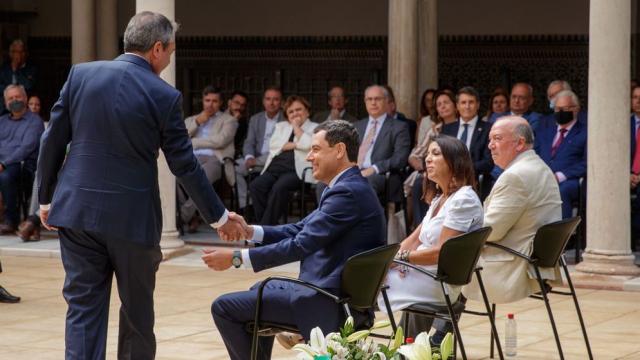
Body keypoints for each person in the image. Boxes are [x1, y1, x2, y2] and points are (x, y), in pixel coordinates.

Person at [36, 12, 243, 360]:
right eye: (171, 51)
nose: (170, 58)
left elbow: (52, 140)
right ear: (157, 49)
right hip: (132, 221)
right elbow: (185, 165)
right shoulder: (164, 95)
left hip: (77, 212)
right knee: (136, 315)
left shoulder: (81, 75)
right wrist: (220, 218)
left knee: (83, 311)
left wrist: (45, 200)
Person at [206, 120, 386, 360]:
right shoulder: (349, 186)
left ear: (340, 150)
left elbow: (301, 244)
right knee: (260, 289)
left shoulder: (347, 192)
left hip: (327, 301)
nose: (309, 157)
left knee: (224, 307)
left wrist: (237, 259)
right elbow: (301, 229)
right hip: (334, 293)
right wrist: (250, 231)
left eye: (316, 149)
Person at [429, 116, 563, 345]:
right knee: (442, 255)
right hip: (532, 259)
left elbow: (489, 232)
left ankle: (427, 343)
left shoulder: (516, 176)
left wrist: (448, 228)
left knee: (433, 263)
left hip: (512, 264)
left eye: (497, 139)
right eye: (490, 139)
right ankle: (436, 340)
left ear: (519, 143)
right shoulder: (539, 166)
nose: (490, 145)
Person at [377, 135, 483, 337]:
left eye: (436, 153)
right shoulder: (441, 198)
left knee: (358, 286)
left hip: (437, 281)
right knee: (366, 275)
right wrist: (389, 261)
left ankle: (346, 344)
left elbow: (443, 253)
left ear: (455, 160)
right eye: (427, 154)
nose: (427, 159)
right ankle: (399, 350)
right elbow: (414, 240)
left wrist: (404, 260)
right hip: (421, 272)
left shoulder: (463, 200)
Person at [249, 95, 318, 225]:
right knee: (256, 186)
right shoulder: (281, 126)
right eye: (291, 112)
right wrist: (296, 144)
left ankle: (264, 231)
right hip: (275, 167)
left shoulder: (316, 127)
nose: (295, 114)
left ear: (307, 112)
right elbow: (274, 145)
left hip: (297, 171)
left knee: (279, 188)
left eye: (299, 110)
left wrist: (296, 133)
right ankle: (269, 227)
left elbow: (311, 145)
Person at [180, 86, 238, 232]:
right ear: (203, 101)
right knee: (173, 178)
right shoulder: (192, 120)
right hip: (191, 157)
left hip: (215, 159)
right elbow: (180, 139)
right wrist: (197, 123)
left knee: (200, 180)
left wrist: (193, 142)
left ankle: (181, 216)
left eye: (214, 101)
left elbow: (220, 141)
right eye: (207, 100)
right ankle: (191, 217)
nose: (210, 104)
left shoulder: (229, 120)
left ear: (220, 103)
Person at [406, 89, 457, 227]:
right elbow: (415, 155)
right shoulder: (436, 129)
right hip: (434, 172)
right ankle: (421, 227)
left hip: (456, 171)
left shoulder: (462, 126)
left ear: (455, 105)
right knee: (419, 183)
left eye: (446, 102)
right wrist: (425, 168)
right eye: (439, 104)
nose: (443, 106)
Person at [354, 85, 411, 204]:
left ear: (386, 101)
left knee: (366, 183)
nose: (373, 103)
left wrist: (374, 168)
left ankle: (365, 222)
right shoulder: (356, 126)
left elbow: (400, 158)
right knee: (324, 185)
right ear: (365, 102)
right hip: (354, 171)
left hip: (380, 174)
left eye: (377, 99)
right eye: (369, 99)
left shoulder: (399, 127)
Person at [534, 90, 587, 219]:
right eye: (557, 109)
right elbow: (533, 155)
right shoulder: (545, 132)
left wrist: (560, 176)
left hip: (569, 180)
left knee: (561, 190)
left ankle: (562, 234)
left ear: (575, 109)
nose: (560, 112)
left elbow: (587, 163)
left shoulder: (585, 133)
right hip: (543, 177)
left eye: (564, 109)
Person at [0, 84, 44, 234]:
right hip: (2, 164)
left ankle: (10, 220)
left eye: (17, 97)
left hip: (23, 166)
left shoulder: (34, 121)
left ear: (25, 98)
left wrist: (3, 163)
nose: (14, 100)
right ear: (5, 103)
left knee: (6, 176)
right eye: (10, 98)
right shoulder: (2, 121)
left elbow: (26, 148)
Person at [235, 87, 284, 211]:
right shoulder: (255, 119)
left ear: (281, 102)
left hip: (273, 161)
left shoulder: (286, 119)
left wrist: (256, 161)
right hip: (254, 159)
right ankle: (247, 205)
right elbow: (249, 142)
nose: (271, 103)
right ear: (263, 101)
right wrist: (249, 157)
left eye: (275, 99)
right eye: (268, 99)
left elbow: (281, 148)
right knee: (235, 168)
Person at [441, 86, 493, 199]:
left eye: (471, 102)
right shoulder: (447, 129)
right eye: (463, 102)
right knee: (419, 184)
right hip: (448, 176)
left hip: (473, 176)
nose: (467, 106)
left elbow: (489, 161)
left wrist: (465, 170)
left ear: (478, 105)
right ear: (457, 106)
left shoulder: (488, 129)